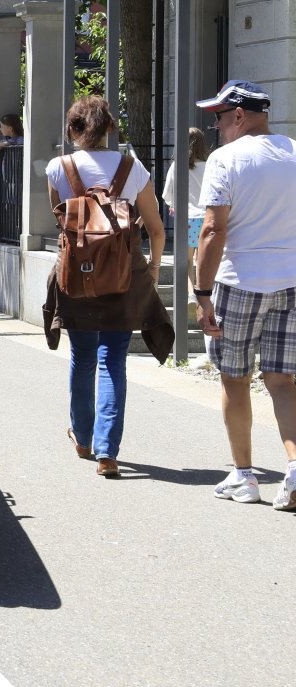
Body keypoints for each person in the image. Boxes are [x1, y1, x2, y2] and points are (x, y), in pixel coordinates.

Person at [43, 96, 171, 479]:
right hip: (122, 277)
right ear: (110, 128)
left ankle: (82, 438)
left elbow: (61, 223)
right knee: (112, 360)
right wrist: (153, 268)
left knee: (82, 357)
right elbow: (156, 229)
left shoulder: (59, 168)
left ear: (72, 129)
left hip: (77, 277)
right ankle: (107, 453)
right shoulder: (132, 169)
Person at [192, 80, 296, 509]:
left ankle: (244, 476)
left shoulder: (225, 159)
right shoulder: (293, 151)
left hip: (240, 282)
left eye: (218, 117)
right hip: (291, 281)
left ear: (238, 115)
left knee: (234, 378)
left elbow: (213, 230)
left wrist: (202, 293)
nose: (216, 126)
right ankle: (295, 467)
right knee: (282, 381)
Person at [162, 126, 209, 273]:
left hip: (186, 218)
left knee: (186, 261)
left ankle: (189, 288)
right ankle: (202, 286)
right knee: (202, 260)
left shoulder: (176, 166)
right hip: (207, 217)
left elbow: (166, 194)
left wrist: (172, 204)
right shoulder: (209, 166)